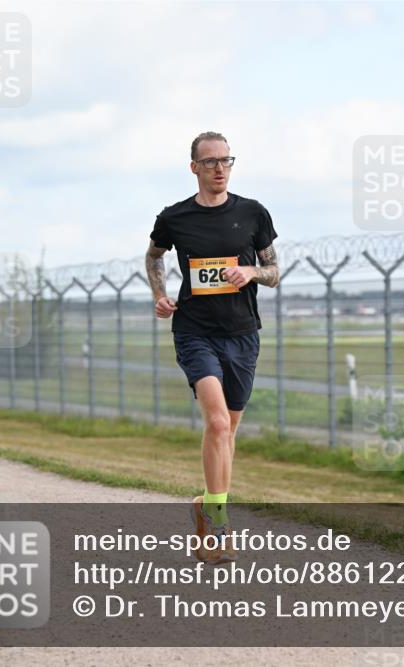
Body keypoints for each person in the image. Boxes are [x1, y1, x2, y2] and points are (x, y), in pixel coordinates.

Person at [145, 131, 279, 564]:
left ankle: (206, 503)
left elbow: (274, 271)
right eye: (210, 162)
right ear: (194, 168)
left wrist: (251, 273)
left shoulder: (253, 213)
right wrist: (160, 294)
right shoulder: (175, 217)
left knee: (228, 430)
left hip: (242, 333)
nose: (220, 168)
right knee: (218, 424)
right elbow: (154, 255)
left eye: (226, 160)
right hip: (194, 331)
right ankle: (218, 528)